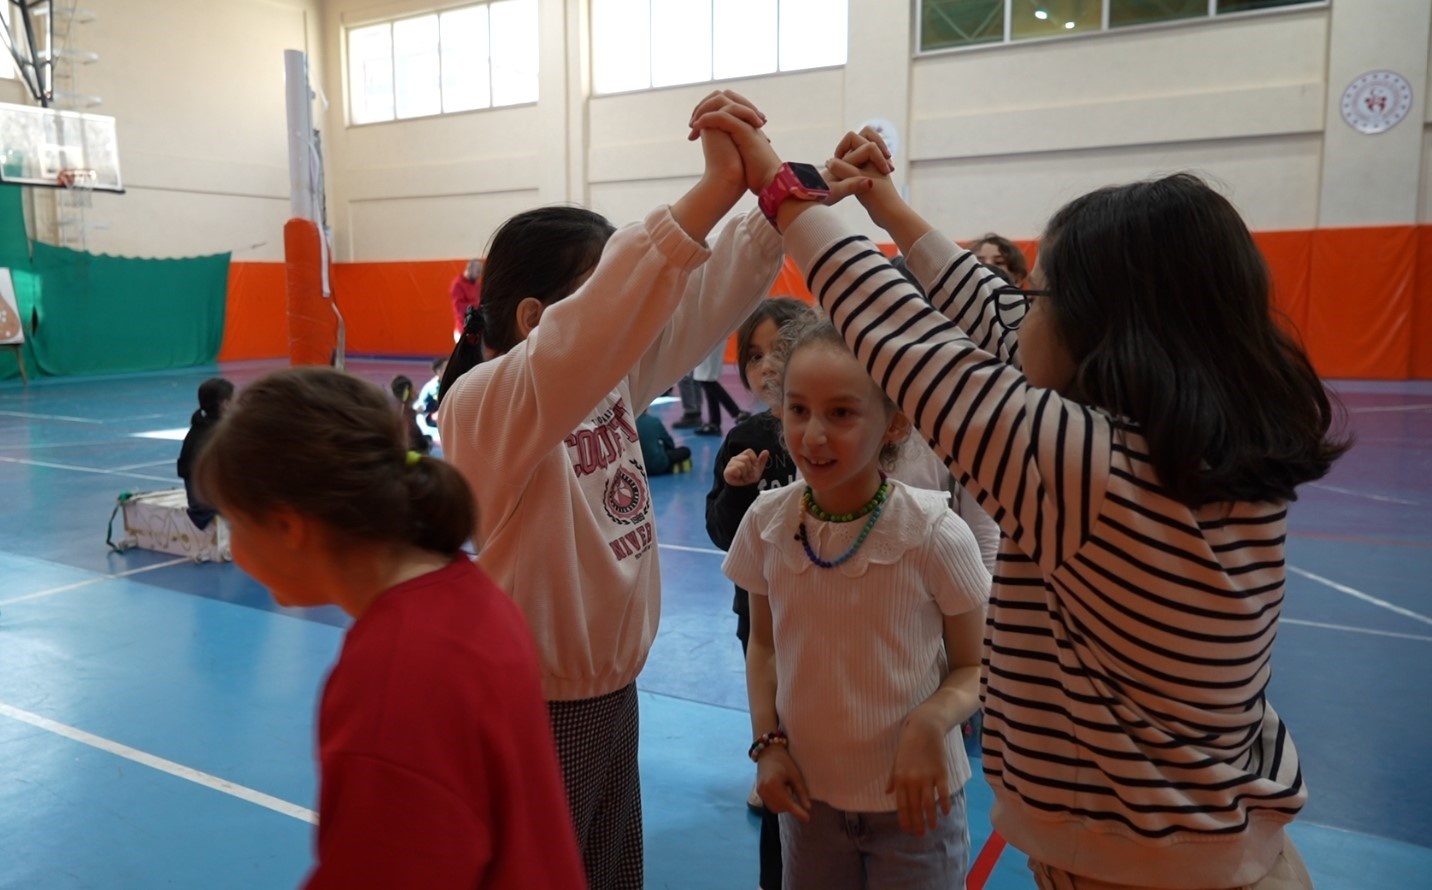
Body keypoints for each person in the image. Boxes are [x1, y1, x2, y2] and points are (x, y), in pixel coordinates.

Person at [704, 110, 1346, 889]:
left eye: (1039, 294)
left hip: (1136, 870)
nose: (1018, 306)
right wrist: (889, 209)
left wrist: (781, 187)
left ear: (1098, 334)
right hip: (1218, 848)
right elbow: (1000, 320)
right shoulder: (1199, 441)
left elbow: (903, 336)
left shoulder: (1089, 471)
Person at [436, 92, 861, 889]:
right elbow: (608, 317)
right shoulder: (484, 408)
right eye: (602, 290)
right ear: (534, 318)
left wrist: (782, 194)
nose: (629, 312)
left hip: (610, 693)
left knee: (608, 872)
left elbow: (698, 300)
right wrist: (710, 191)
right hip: (536, 705)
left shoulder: (603, 382)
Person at [191, 367, 585, 890]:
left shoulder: (394, 678)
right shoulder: (466, 592)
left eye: (236, 523)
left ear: (287, 527)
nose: (236, 549)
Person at [723, 319, 990, 889]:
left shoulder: (934, 533)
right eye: (798, 410)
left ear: (894, 422)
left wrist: (933, 717)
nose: (813, 435)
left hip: (916, 806)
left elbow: (978, 664)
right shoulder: (767, 523)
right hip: (809, 802)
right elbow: (764, 646)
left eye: (841, 413)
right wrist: (768, 743)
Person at [704, 295, 816, 890]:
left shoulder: (825, 428)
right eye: (754, 355)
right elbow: (722, 533)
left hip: (827, 614)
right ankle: (769, 761)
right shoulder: (746, 437)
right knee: (773, 709)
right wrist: (737, 489)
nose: (767, 364)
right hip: (764, 616)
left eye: (780, 349)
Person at [176, 376, 233, 530]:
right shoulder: (218, 434)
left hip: (199, 502)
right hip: (207, 505)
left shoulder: (197, 429)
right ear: (225, 404)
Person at [692, 338, 748, 435]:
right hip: (710, 339)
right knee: (707, 379)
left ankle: (737, 413)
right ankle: (714, 422)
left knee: (706, 378)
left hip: (710, 339)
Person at [636, 408, 691, 475]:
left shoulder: (630, 424)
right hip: (659, 465)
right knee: (685, 451)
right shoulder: (654, 421)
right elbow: (670, 443)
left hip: (637, 468)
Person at [390, 374, 432, 455]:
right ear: (410, 392)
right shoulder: (406, 415)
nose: (417, 390)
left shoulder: (400, 409)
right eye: (414, 388)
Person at [450, 258, 483, 337]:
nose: (479, 275)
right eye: (478, 272)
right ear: (469, 269)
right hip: (464, 331)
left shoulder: (476, 284)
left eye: (480, 272)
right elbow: (460, 309)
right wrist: (478, 305)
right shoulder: (457, 285)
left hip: (476, 330)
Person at [417, 356, 447, 441]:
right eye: (447, 368)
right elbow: (420, 408)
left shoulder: (454, 383)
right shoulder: (431, 387)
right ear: (438, 371)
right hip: (433, 425)